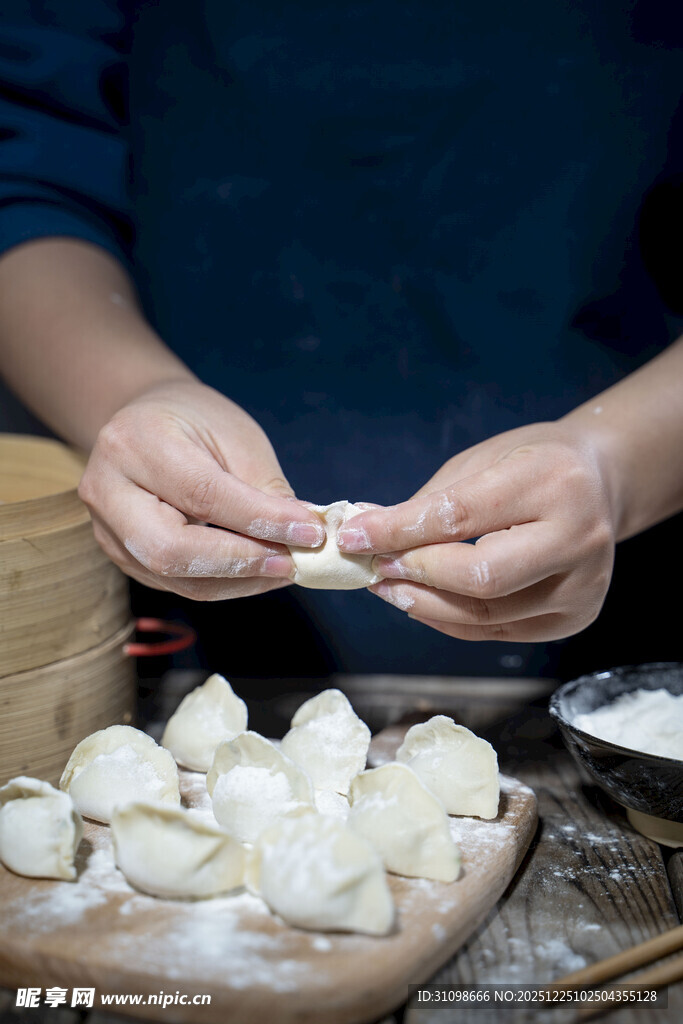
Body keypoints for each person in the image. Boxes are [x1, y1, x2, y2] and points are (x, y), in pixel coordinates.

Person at [0, 1, 681, 680]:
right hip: (181, 629)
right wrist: (138, 392)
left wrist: (617, 464)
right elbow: (28, 165)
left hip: (632, 616)